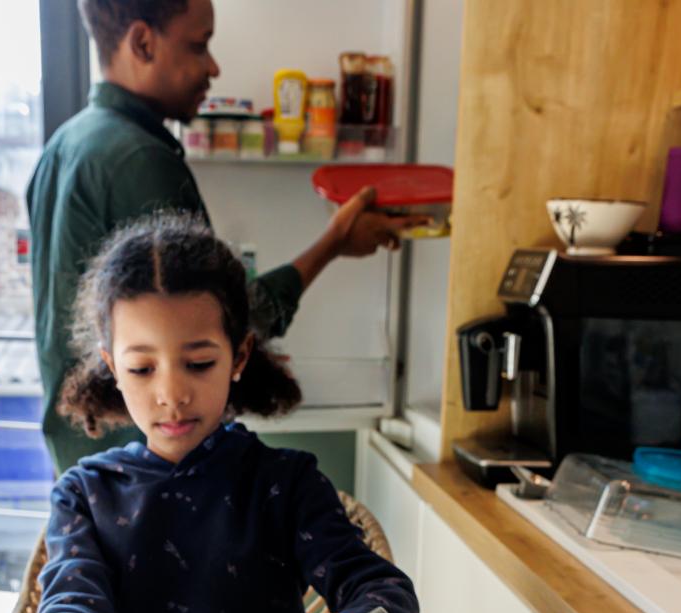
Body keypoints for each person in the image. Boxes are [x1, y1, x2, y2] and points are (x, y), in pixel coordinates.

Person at [37, 214, 419, 613]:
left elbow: (376, 583)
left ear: (238, 356)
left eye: (197, 363)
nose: (171, 393)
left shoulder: (286, 484)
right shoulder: (85, 494)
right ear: (111, 365)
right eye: (143, 368)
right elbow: (70, 603)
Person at [27, 0, 420, 475]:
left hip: (84, 465)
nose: (213, 67)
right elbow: (228, 319)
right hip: (153, 475)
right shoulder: (140, 160)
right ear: (143, 43)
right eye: (199, 45)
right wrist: (334, 242)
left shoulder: (64, 146)